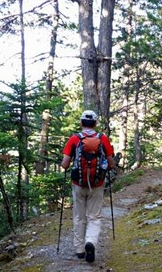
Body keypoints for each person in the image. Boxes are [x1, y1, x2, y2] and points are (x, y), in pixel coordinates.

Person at [61, 110, 115, 263]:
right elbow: (111, 164)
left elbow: (65, 164)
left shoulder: (74, 139)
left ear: (81, 123)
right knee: (94, 216)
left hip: (78, 184)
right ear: (95, 123)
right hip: (97, 184)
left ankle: (79, 250)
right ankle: (90, 241)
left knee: (79, 216)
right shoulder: (102, 139)